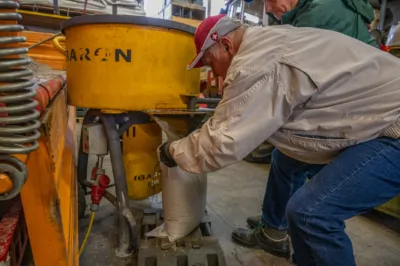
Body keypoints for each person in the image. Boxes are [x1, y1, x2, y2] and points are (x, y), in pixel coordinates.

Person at [158, 14, 400, 265]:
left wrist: (173, 151)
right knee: (284, 158)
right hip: (378, 112)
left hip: (394, 128)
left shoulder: (257, 63)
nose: (215, 72)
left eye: (211, 64)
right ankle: (274, 232)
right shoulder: (269, 41)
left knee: (310, 214)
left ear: (227, 46)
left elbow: (222, 142)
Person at [244, 0, 377, 165]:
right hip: (349, 103)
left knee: (291, 159)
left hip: (366, 112)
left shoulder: (319, 12)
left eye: (270, 0)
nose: (268, 8)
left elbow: (291, 77)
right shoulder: (302, 13)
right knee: (284, 159)